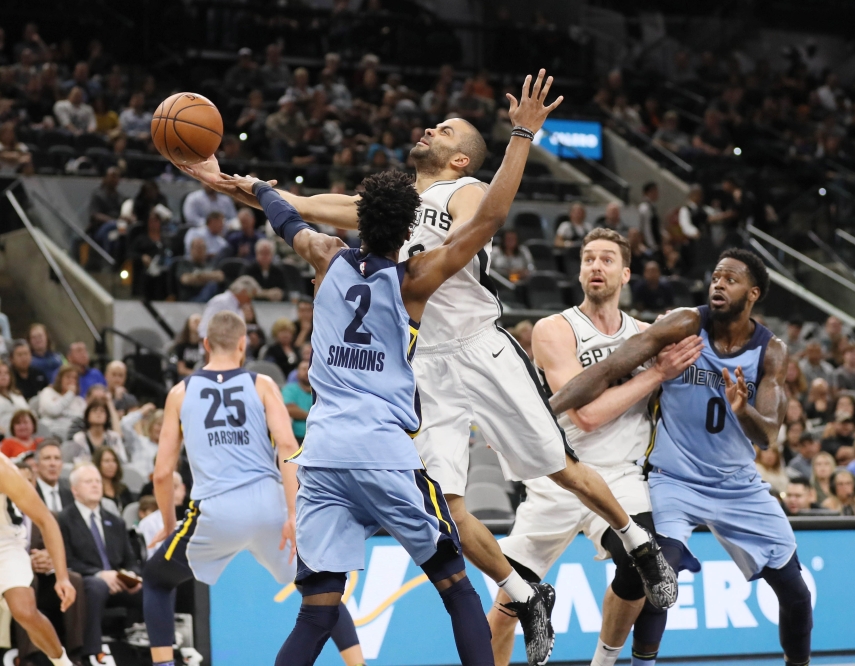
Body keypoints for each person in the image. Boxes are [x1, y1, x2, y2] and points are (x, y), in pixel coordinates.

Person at [182, 71, 677, 665]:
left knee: (558, 467)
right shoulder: (381, 209)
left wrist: (521, 135)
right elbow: (296, 204)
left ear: (462, 157)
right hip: (422, 365)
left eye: (443, 129)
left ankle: (637, 542)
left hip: (478, 347)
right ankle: (523, 590)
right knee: (448, 503)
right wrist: (224, 180)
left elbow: (490, 214)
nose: (429, 128)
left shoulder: (460, 192)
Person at [550, 248, 814, 666]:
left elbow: (768, 436)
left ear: (753, 293)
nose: (719, 284)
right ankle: (642, 663)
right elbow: (607, 369)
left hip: (737, 484)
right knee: (659, 576)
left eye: (731, 279)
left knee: (795, 592)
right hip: (675, 480)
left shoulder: (770, 351)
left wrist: (742, 408)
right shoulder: (686, 324)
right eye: (716, 276)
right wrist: (544, 413)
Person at [489, 229, 702, 666]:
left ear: (625, 273)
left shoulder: (647, 333)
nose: (595, 266)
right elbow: (584, 414)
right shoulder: (555, 329)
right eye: (588, 259)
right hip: (560, 476)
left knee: (641, 566)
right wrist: (655, 374)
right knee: (509, 606)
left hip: (620, 476)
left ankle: (604, 661)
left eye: (606, 259)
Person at [141, 311, 301, 666]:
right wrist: (293, 513)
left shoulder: (180, 393)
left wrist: (170, 528)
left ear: (205, 345)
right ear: (244, 344)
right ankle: (357, 661)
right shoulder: (263, 384)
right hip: (268, 504)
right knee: (318, 584)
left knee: (156, 578)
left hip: (215, 511)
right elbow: (288, 447)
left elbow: (162, 474)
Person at [0, 452, 77, 666]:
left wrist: (62, 577)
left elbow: (45, 520)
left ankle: (62, 662)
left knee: (24, 610)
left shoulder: (4, 469)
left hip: (4, 542)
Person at [60, 463, 142, 662]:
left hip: (118, 581)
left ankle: (158, 648)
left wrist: (131, 575)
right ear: (75, 490)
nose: (96, 485)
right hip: (86, 580)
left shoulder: (116, 521)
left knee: (153, 587)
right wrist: (99, 573)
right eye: (89, 481)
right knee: (96, 586)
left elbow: (130, 559)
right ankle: (92, 653)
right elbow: (67, 560)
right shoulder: (64, 519)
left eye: (97, 481)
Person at [65, 397, 126, 464]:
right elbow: (77, 462)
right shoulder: (79, 438)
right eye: (94, 410)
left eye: (102, 411)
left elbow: (122, 460)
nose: (98, 413)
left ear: (107, 416)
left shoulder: (114, 437)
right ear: (87, 416)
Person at [196, 276, 260, 339]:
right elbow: (205, 329)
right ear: (243, 291)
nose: (250, 301)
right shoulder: (221, 301)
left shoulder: (239, 308)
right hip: (216, 348)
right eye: (251, 296)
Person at [38, 367, 86, 442]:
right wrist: (70, 394)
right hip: (50, 435)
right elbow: (54, 411)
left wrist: (61, 412)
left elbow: (82, 419)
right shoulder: (48, 392)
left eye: (74, 378)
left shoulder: (79, 401)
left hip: (72, 438)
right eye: (68, 377)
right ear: (60, 379)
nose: (71, 380)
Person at [35, 441, 73, 513]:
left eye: (57, 458)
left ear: (62, 464)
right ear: (36, 465)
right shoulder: (30, 491)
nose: (53, 464)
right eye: (47, 458)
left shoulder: (71, 490)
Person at [94, 446, 134, 511]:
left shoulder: (123, 489)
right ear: (98, 464)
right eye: (106, 461)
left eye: (114, 461)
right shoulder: (94, 489)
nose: (111, 465)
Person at [282, 358, 312, 442]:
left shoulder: (321, 391)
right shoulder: (289, 389)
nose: (307, 372)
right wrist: (313, 416)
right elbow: (289, 409)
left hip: (317, 437)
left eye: (310, 368)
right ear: (296, 374)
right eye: (303, 369)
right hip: (295, 437)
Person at [0, 361, 30, 437]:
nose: (3, 376)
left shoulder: (17, 395)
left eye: (6, 373)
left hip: (24, 433)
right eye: (0, 373)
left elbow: (29, 414)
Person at [170, 314, 202, 379]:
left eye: (200, 322)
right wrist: (197, 374)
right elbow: (181, 370)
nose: (198, 324)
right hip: (187, 376)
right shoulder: (181, 345)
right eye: (195, 321)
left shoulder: (205, 344)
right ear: (188, 324)